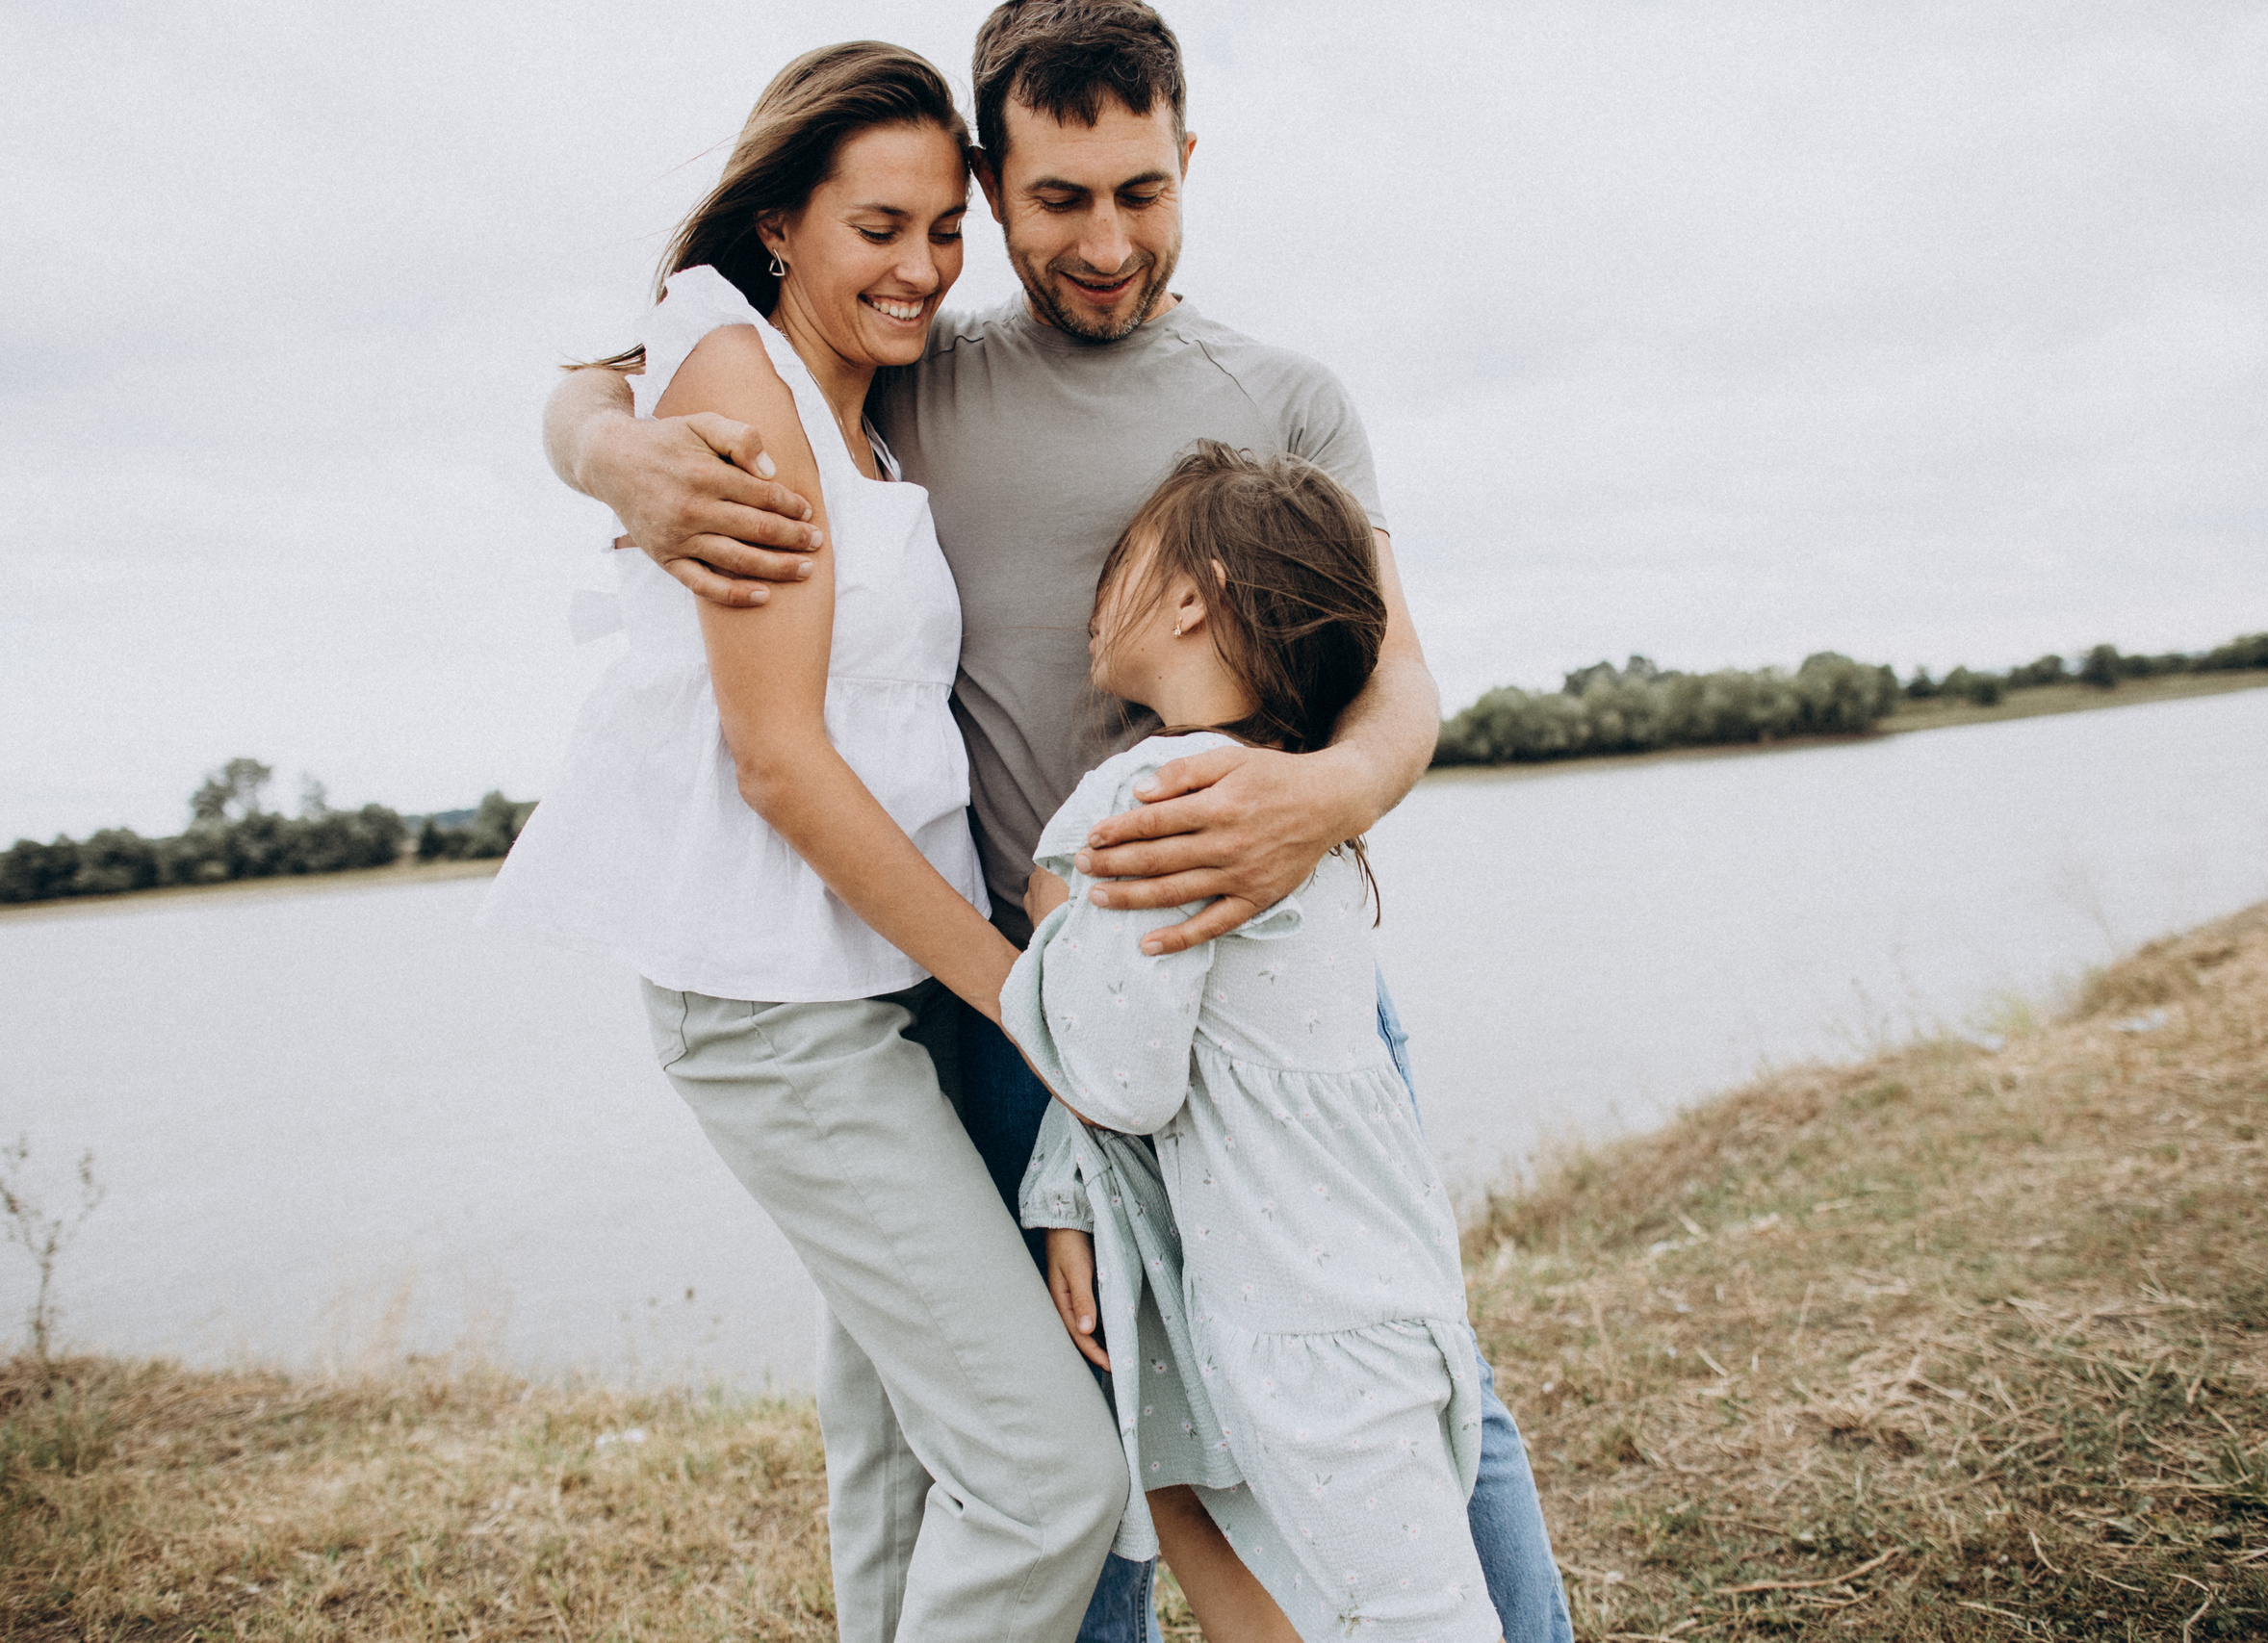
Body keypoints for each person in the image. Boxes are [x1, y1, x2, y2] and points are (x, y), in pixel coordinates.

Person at [538, 7, 1573, 1642]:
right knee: (1086, 1419)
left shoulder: (1286, 396)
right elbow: (644, 353)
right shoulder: (911, 369)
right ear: (995, 188)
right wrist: (610, 456)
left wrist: (1327, 793)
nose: (1106, 242)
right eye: (1056, 199)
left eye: (1142, 192)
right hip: (1016, 1000)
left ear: (1188, 162)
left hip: (1276, 990)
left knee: (1415, 1364)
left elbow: (1402, 678)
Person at [482, 42, 1127, 1643]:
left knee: (904, 1449)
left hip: (867, 976)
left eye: (943, 231)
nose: (920, 267)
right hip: (781, 1004)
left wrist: (587, 431)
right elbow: (779, 763)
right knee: (1053, 1476)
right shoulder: (739, 382)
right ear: (780, 221)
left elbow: (588, 383)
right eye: (878, 228)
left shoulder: (863, 394)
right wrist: (1027, 1001)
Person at [1014, 442, 1503, 1643]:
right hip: (1376, 1281)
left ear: (1193, 594)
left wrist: (1048, 923)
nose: (1096, 591)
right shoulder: (1293, 797)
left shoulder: (1168, 796)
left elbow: (1121, 1078)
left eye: (1125, 559)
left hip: (1305, 1321)